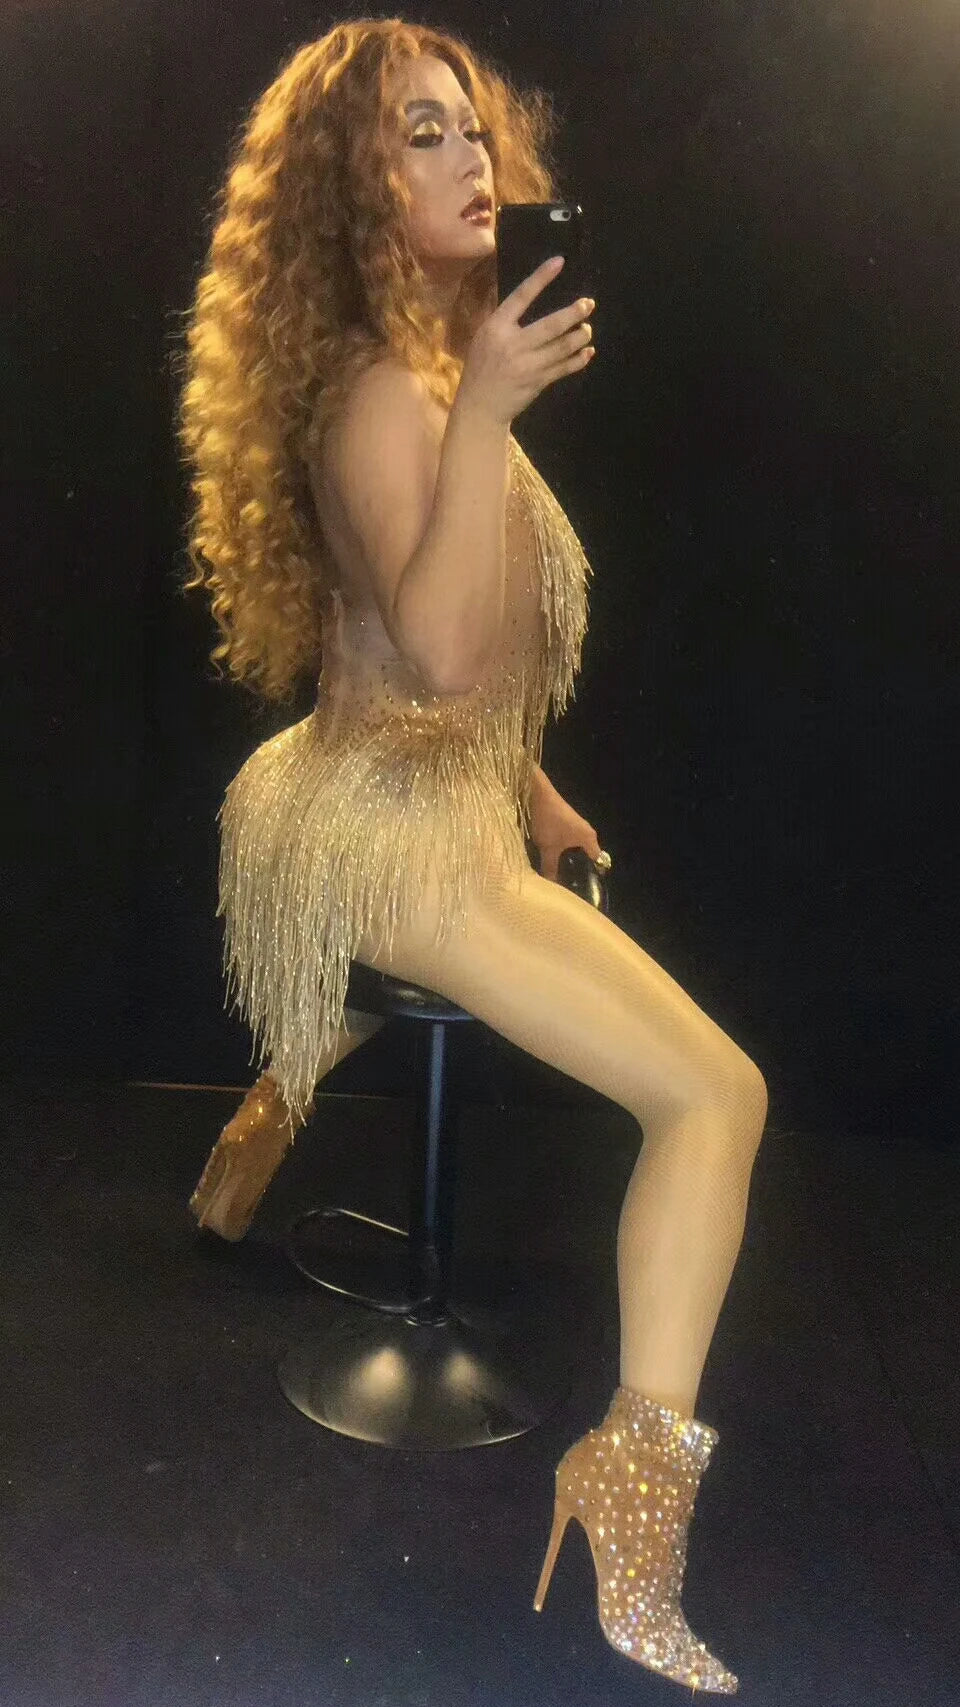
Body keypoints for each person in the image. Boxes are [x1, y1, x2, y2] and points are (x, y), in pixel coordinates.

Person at [174, 18, 768, 1694]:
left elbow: (431, 666)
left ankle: (260, 1123)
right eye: (421, 137)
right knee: (716, 1099)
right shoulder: (390, 389)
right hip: (388, 839)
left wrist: (536, 790)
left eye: (473, 130)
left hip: (381, 789)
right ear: (352, 192)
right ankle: (632, 1515)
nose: (471, 162)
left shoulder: (428, 371)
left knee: (410, 982)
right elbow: (440, 657)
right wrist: (494, 411)